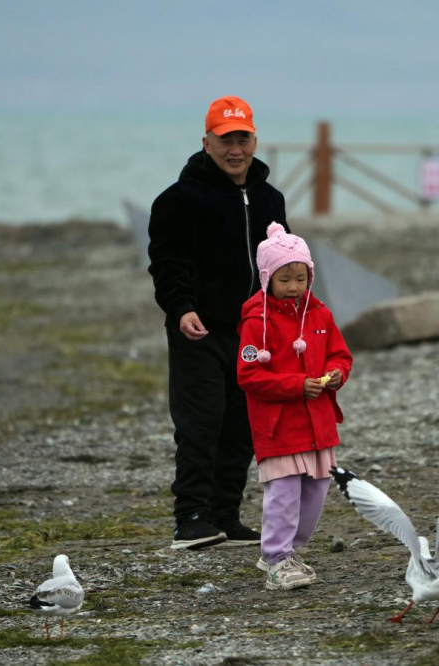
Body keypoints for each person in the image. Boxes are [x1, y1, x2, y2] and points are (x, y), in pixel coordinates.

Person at [148, 96, 287, 550]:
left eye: (242, 138)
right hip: (199, 329)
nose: (235, 149)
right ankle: (190, 517)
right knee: (200, 422)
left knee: (243, 425)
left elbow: (280, 263)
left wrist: (287, 314)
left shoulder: (270, 198)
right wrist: (181, 307)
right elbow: (167, 263)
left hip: (252, 332)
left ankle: (225, 515)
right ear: (206, 142)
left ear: (254, 140)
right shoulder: (178, 199)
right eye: (225, 139)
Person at [237, 222, 353, 590]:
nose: (293, 286)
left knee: (314, 497)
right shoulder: (257, 322)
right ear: (267, 277)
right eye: (285, 279)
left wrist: (335, 373)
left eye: (300, 278)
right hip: (278, 427)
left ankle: (286, 550)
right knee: (284, 496)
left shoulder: (320, 315)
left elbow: (341, 355)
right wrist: (295, 386)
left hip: (319, 425)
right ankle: (276, 559)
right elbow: (248, 375)